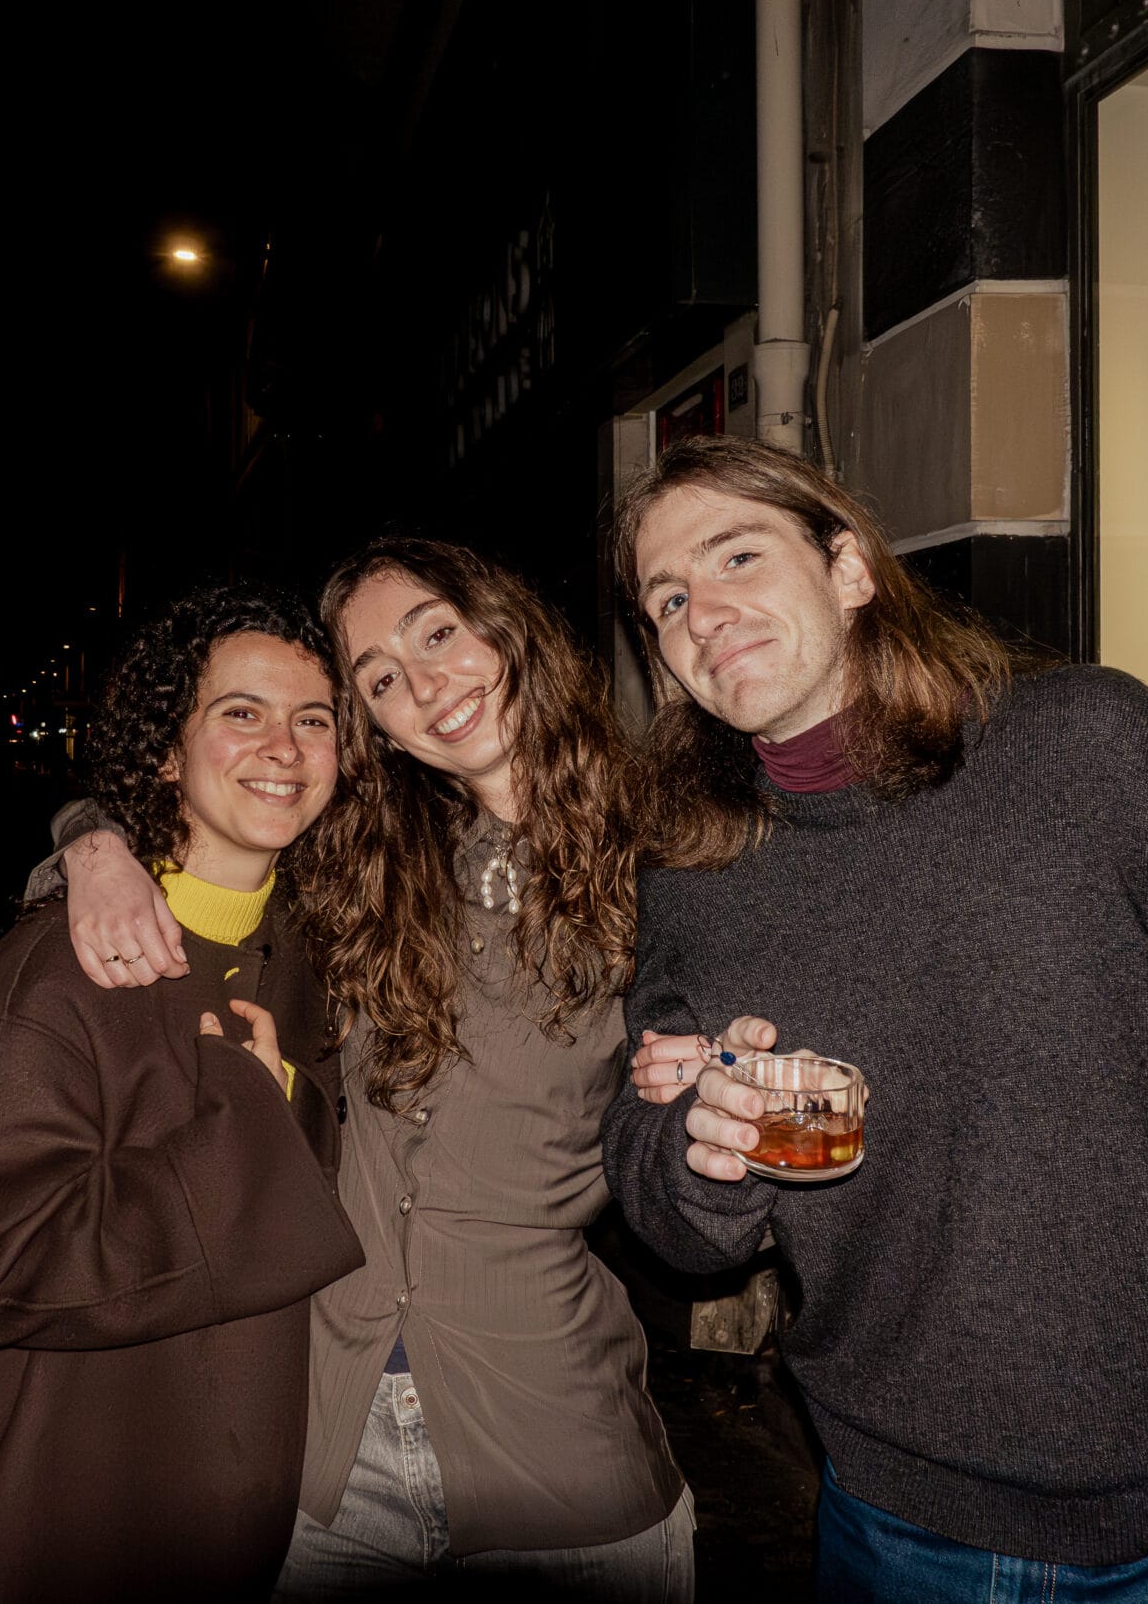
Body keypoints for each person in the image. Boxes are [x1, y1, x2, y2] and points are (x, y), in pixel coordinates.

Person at [602, 435, 1148, 1604]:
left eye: (737, 556)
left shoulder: (1090, 749)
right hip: (892, 1516)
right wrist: (703, 1152)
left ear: (850, 569)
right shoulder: (694, 866)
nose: (705, 610)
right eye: (669, 597)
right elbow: (672, 1209)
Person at [49, 537, 693, 1600]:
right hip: (323, 1452)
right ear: (371, 727)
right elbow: (199, 811)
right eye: (380, 679)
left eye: (437, 633)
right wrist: (91, 849)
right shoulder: (364, 860)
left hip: (554, 1440)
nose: (423, 685)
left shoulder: (669, 853)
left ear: (507, 625)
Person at [0, 584, 364, 1603]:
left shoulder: (309, 955)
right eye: (241, 713)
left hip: (245, 1522)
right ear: (163, 753)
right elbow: (0, 1268)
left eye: (312, 720)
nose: (284, 746)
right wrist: (251, 1121)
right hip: (68, 1524)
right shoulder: (56, 978)